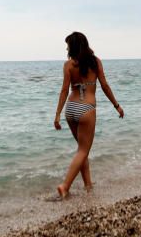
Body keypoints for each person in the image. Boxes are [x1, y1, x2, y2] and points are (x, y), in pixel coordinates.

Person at [53, 31, 124, 199]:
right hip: (86, 109)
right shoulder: (95, 62)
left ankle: (88, 185)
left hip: (70, 109)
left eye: (68, 45)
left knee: (81, 150)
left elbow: (64, 90)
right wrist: (117, 106)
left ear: (73, 47)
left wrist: (57, 115)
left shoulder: (68, 65)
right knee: (84, 150)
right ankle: (65, 186)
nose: (67, 48)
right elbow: (105, 86)